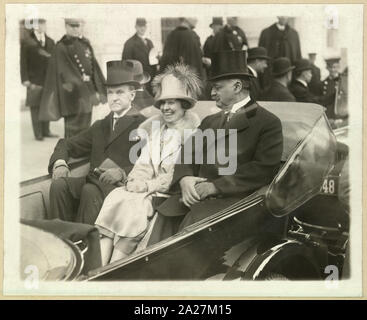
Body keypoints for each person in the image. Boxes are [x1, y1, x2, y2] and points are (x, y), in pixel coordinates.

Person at [148, 50, 283, 245]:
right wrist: (184, 179)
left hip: (237, 203)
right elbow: (187, 153)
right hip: (196, 197)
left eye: (217, 88)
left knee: (187, 232)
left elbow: (263, 169)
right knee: (161, 216)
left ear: (237, 86)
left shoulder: (267, 122)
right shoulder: (210, 121)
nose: (211, 93)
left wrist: (215, 187)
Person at [95, 63, 202, 265]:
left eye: (171, 103)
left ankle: (113, 266)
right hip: (147, 189)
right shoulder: (157, 130)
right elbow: (144, 163)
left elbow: (174, 174)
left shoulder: (191, 135)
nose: (166, 108)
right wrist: (135, 180)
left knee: (136, 206)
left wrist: (146, 186)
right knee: (116, 196)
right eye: (162, 103)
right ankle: (100, 263)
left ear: (183, 105)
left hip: (167, 192)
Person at [47, 60, 146, 225]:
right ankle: (62, 239)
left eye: (120, 92)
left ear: (132, 95)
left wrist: (123, 172)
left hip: (122, 188)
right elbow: (66, 144)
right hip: (93, 183)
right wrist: (59, 163)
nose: (114, 98)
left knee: (89, 190)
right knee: (59, 186)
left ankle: (86, 243)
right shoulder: (100, 126)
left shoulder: (143, 125)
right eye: (110, 93)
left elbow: (151, 164)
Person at [39, 18, 107, 138]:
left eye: (78, 26)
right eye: (72, 26)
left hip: (87, 93)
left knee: (85, 127)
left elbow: (93, 67)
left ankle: (81, 155)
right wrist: (83, 84)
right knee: (73, 129)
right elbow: (64, 72)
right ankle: (71, 155)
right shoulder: (61, 47)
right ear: (66, 27)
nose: (76, 29)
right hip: (72, 95)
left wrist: (99, 89)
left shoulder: (85, 44)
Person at [20, 18, 57, 141]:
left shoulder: (51, 42)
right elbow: (23, 62)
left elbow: (55, 62)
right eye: (39, 24)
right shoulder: (27, 42)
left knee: (47, 105)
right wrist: (25, 79)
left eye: (43, 24)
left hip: (48, 80)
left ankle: (46, 131)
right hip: (33, 80)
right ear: (34, 26)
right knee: (35, 106)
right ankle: (38, 133)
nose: (41, 27)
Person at [259, 16, 301, 89]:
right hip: (270, 76)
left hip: (288, 78)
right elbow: (261, 57)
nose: (284, 17)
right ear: (277, 16)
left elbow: (297, 56)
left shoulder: (294, 34)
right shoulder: (266, 33)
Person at [122, 18, 156, 94]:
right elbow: (126, 65)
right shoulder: (129, 43)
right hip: (139, 82)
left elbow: (154, 61)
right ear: (136, 27)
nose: (142, 28)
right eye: (140, 26)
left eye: (144, 26)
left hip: (151, 81)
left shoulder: (149, 42)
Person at [321, 55, 342, 120]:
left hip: (342, 114)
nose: (332, 70)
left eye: (335, 67)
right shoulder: (324, 83)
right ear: (327, 68)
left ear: (338, 67)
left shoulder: (343, 80)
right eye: (330, 67)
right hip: (330, 116)